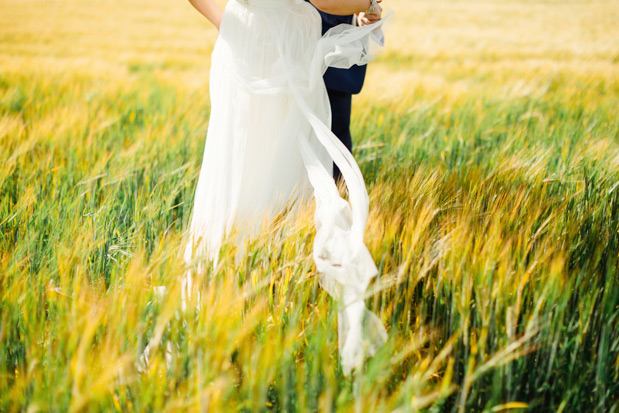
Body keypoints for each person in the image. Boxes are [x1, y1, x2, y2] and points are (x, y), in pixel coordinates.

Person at [184, 0, 388, 375]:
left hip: (299, 51)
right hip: (266, 55)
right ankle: (267, 320)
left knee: (306, 179)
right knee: (269, 179)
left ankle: (268, 316)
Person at [307, 1, 383, 180]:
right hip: (289, 58)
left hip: (334, 67)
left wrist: (360, 17)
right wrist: (368, 5)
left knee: (335, 148)